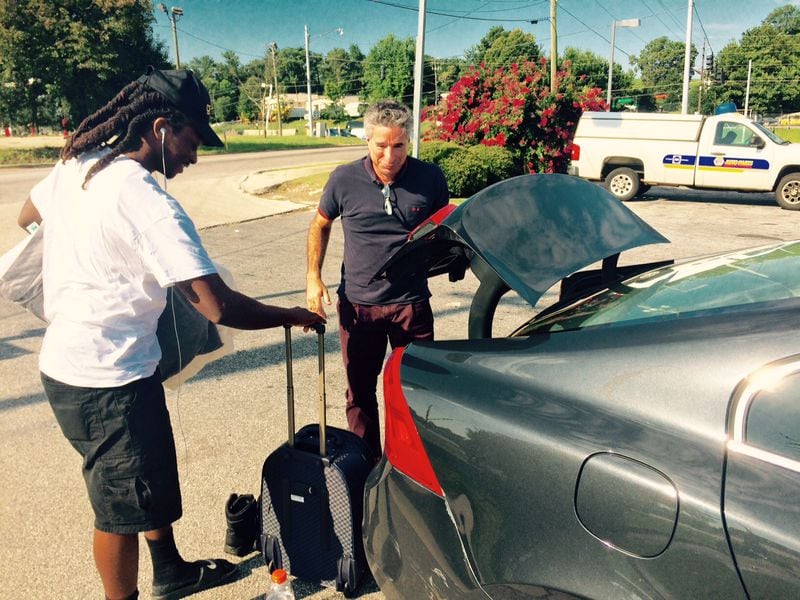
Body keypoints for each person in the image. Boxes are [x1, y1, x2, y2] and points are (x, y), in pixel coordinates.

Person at [17, 68, 324, 600]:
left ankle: (170, 570)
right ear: (160, 127)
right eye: (191, 139)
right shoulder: (146, 200)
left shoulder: (79, 166)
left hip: (71, 363)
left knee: (142, 481)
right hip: (106, 378)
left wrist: (90, 266)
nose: (195, 155)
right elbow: (217, 306)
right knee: (117, 508)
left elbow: (28, 216)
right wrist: (289, 315)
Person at [305, 99, 449, 460]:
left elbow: (444, 233)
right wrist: (312, 277)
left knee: (414, 389)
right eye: (381, 145)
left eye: (399, 145)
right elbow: (320, 224)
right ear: (367, 141)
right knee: (360, 392)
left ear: (409, 142)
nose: (390, 155)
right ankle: (365, 465)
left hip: (410, 306)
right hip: (359, 306)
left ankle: (409, 463)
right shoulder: (344, 179)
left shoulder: (430, 178)